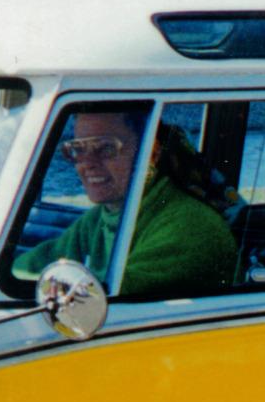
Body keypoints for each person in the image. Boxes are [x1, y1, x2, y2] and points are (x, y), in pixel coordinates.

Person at [13, 110, 235, 298]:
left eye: (106, 148)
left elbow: (112, 297)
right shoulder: (102, 216)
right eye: (78, 150)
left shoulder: (192, 227)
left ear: (152, 152)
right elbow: (29, 267)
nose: (87, 164)